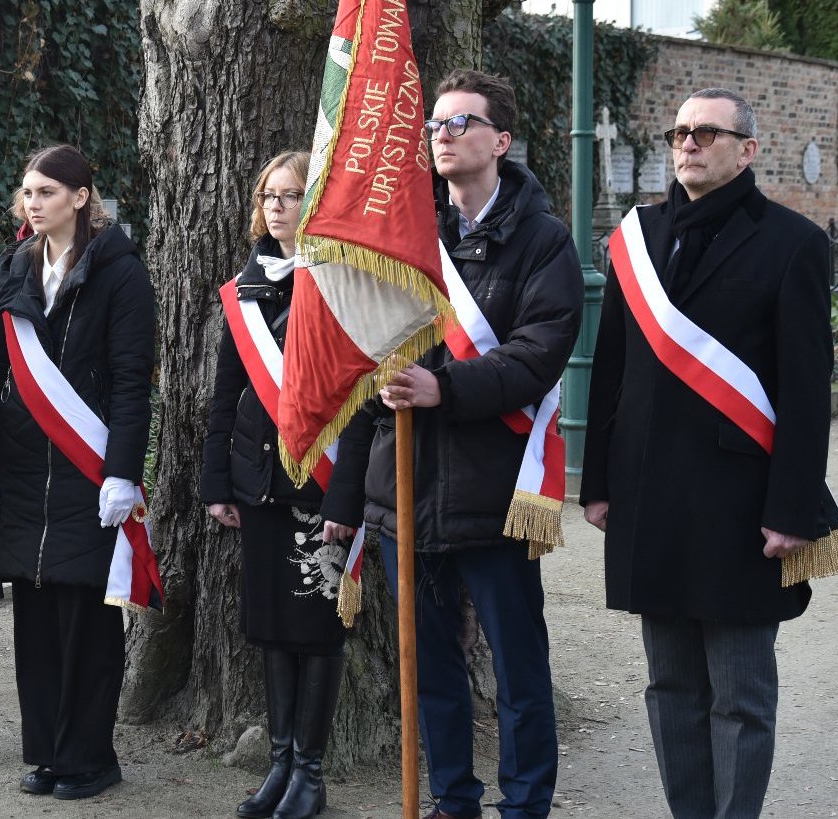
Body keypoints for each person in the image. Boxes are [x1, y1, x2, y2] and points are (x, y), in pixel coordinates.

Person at [581, 87, 838, 819]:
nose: (689, 144)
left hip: (741, 505)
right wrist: (598, 484)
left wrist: (793, 510)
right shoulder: (636, 238)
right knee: (669, 686)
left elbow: (805, 390)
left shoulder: (793, 243)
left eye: (706, 132)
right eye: (679, 132)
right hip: (648, 498)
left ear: (748, 150)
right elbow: (612, 368)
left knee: (740, 694)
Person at [327, 69, 582, 819]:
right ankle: (453, 800)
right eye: (435, 125)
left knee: (517, 665)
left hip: (493, 491)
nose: (443, 136)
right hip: (404, 486)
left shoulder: (543, 240)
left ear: (501, 140)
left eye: (460, 123)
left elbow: (541, 349)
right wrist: (349, 499)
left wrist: (450, 389)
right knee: (428, 664)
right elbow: (368, 359)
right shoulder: (409, 238)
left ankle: (526, 804)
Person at [0, 144, 156, 801]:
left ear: (80, 198)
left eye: (47, 191)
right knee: (36, 619)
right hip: (23, 468)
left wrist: (123, 472)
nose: (33, 202)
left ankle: (89, 757)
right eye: (27, 192)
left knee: (87, 619)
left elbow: (133, 383)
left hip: (87, 466)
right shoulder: (16, 266)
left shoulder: (120, 273)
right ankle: (46, 752)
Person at [201, 150, 363, 819]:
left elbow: (362, 403)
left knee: (317, 631)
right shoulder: (248, 285)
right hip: (257, 484)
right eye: (269, 195)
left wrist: (347, 495)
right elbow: (225, 394)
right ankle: (280, 764)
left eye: (292, 195)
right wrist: (217, 480)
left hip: (320, 488)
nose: (276, 206)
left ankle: (312, 775)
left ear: (316, 203)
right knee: (270, 628)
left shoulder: (342, 283)